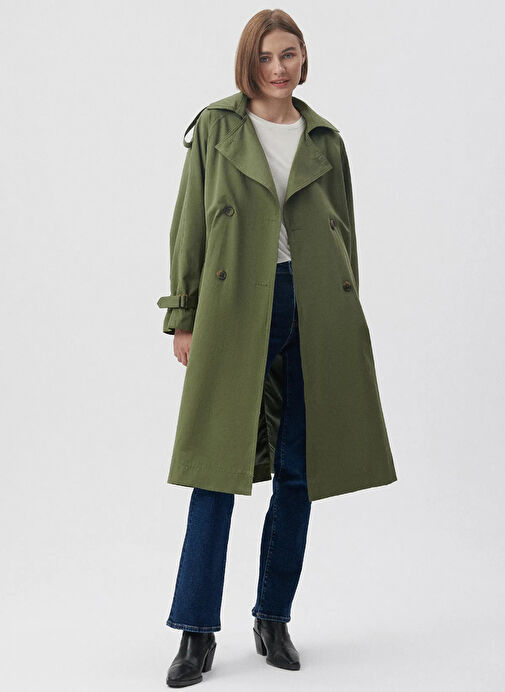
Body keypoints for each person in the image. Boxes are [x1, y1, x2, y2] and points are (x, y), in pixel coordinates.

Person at [159, 9, 397, 688]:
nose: (278, 68)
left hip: (313, 305)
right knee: (215, 467)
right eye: (265, 56)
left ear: (303, 57)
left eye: (289, 54)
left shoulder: (324, 138)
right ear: (248, 61)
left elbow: (344, 232)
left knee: (298, 471)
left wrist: (348, 316)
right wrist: (184, 316)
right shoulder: (217, 128)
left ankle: (273, 618)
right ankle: (195, 632)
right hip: (235, 306)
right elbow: (189, 224)